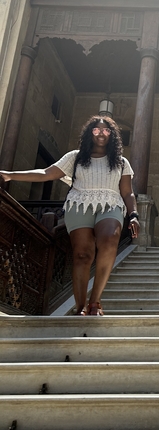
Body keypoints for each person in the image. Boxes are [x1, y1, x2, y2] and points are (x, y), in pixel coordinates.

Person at [0, 115, 139, 316]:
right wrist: (10, 175)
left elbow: (127, 192)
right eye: (96, 130)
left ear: (113, 135)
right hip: (79, 205)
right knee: (82, 255)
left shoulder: (121, 162)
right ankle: (81, 305)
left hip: (111, 203)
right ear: (90, 133)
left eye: (106, 130)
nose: (101, 134)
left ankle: (95, 302)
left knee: (109, 240)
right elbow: (46, 174)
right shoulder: (75, 157)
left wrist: (133, 213)